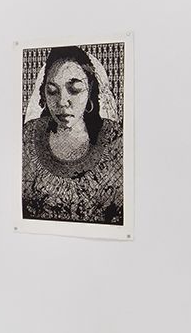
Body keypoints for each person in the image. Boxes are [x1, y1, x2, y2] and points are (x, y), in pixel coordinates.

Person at [21, 45, 125, 225]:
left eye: (75, 89)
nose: (62, 102)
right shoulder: (28, 137)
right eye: (52, 91)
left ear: (91, 89)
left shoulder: (115, 139)